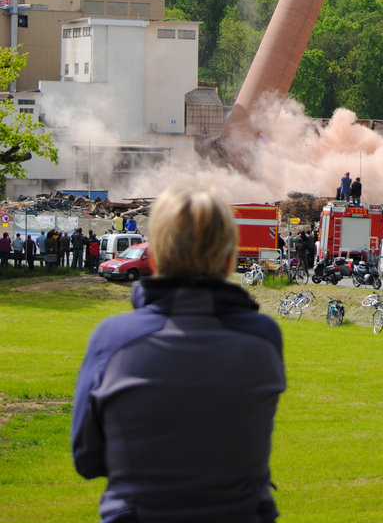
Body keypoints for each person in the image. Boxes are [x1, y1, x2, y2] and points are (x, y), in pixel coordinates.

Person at [72, 182, 285, 522]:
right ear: (230, 259)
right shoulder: (263, 337)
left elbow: (86, 458)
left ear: (153, 257)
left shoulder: (113, 340)